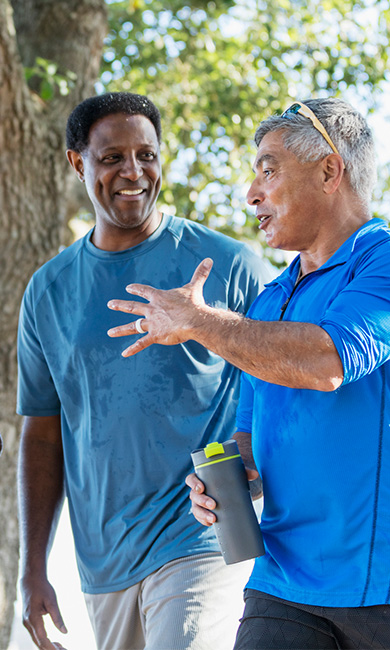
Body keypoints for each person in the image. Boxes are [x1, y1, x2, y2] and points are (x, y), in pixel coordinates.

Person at [107, 97, 390, 649]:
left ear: (329, 170)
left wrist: (199, 321)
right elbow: (253, 437)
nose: (252, 194)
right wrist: (229, 477)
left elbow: (328, 361)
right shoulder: (268, 302)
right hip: (283, 582)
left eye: (269, 170)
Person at [16, 91, 270, 650]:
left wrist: (254, 469)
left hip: (206, 535)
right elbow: (41, 432)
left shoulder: (228, 264)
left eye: (146, 155)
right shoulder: (48, 292)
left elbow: (286, 379)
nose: (133, 172)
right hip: (103, 561)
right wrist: (33, 566)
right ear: (77, 163)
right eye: (112, 159)